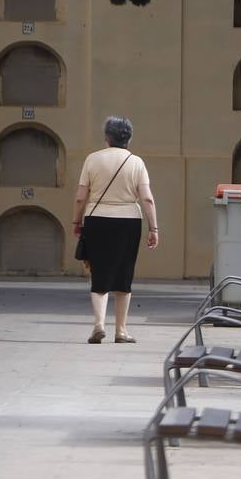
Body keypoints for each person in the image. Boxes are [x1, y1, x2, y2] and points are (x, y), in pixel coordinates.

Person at [71, 116, 160, 343]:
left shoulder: (92, 159)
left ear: (107, 138)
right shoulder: (137, 162)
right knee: (124, 274)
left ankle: (99, 325)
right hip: (128, 221)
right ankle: (121, 331)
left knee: (98, 272)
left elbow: (81, 197)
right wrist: (154, 228)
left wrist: (76, 222)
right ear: (128, 138)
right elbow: (147, 199)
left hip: (97, 219)